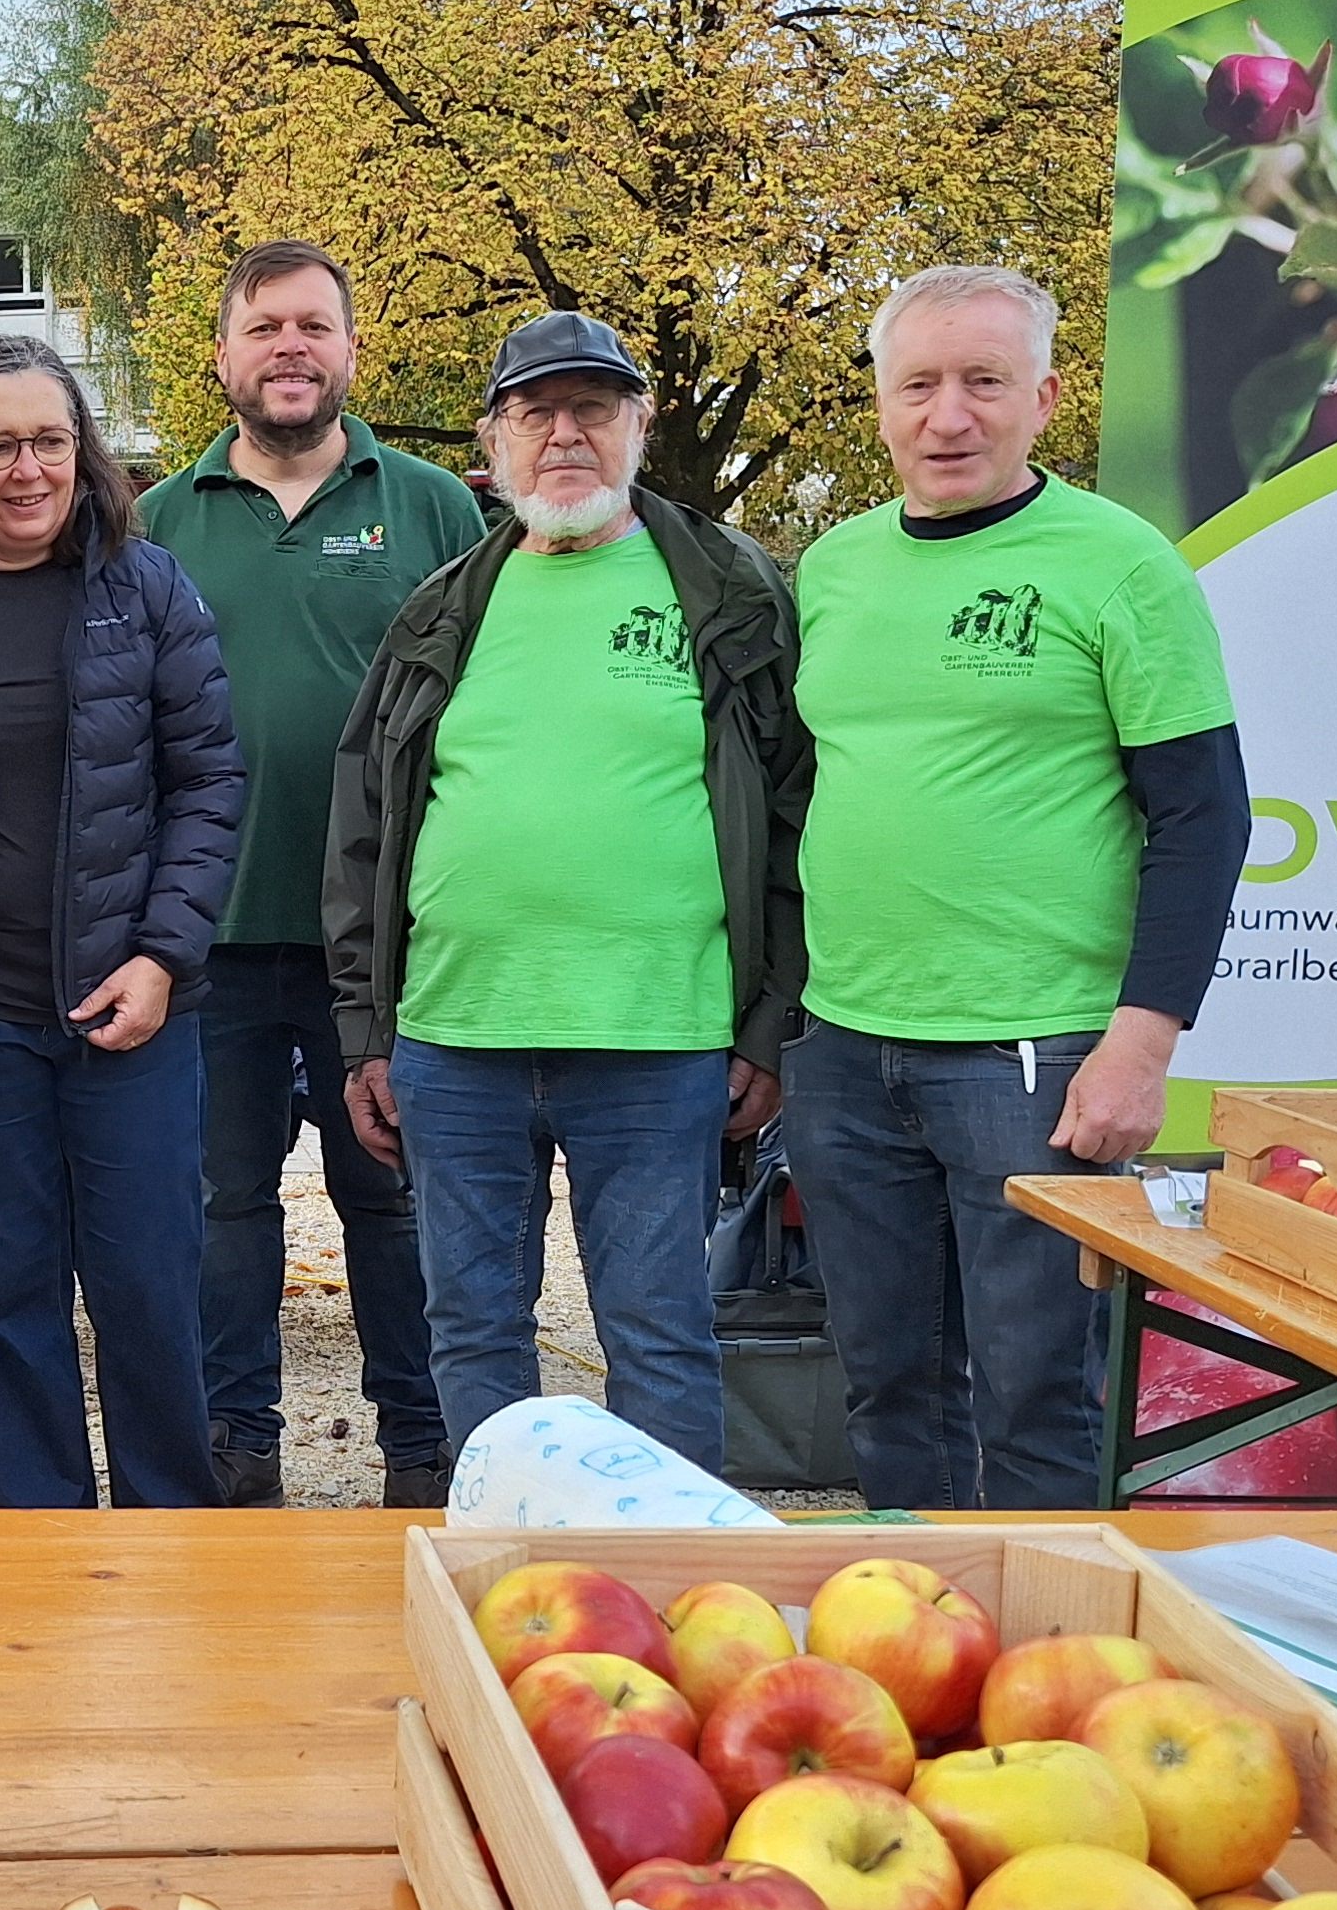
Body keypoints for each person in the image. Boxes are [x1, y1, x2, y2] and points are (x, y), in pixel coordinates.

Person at [787, 263, 1244, 1508]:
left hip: (1035, 1057)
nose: (950, 416)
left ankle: (1054, 1668)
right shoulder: (831, 571)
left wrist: (1139, 1045)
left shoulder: (1120, 565)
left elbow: (1203, 818)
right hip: (847, 1043)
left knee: (1038, 1395)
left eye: (984, 382)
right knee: (886, 1386)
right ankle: (917, 1638)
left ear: (1044, 398)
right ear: (880, 404)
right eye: (919, 385)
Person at [322, 312, 809, 1476]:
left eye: (593, 407)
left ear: (638, 426)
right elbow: (363, 824)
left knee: (659, 1337)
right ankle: (515, 1581)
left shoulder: (732, 595)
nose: (565, 433)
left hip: (659, 1039)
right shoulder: (445, 610)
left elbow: (797, 816)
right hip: (454, 1039)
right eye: (536, 411)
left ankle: (663, 1594)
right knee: (475, 1333)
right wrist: (364, 1030)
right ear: (491, 444)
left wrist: (768, 1024)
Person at [137, 242, 478, 1511]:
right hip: (204, 934)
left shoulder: (437, 507)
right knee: (223, 1210)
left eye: (315, 326)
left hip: (381, 945)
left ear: (349, 349)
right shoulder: (163, 519)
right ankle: (237, 1445)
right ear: (223, 355)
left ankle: (422, 1444)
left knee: (390, 1203)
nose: (291, 346)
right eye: (265, 325)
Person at [0, 333, 245, 1508]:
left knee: (150, 1286)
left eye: (48, 441)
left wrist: (164, 954)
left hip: (132, 1011)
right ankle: (38, 1540)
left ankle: (172, 1530)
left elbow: (209, 780)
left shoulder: (142, 586)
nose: (26, 471)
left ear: (82, 451)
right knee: (6, 1291)